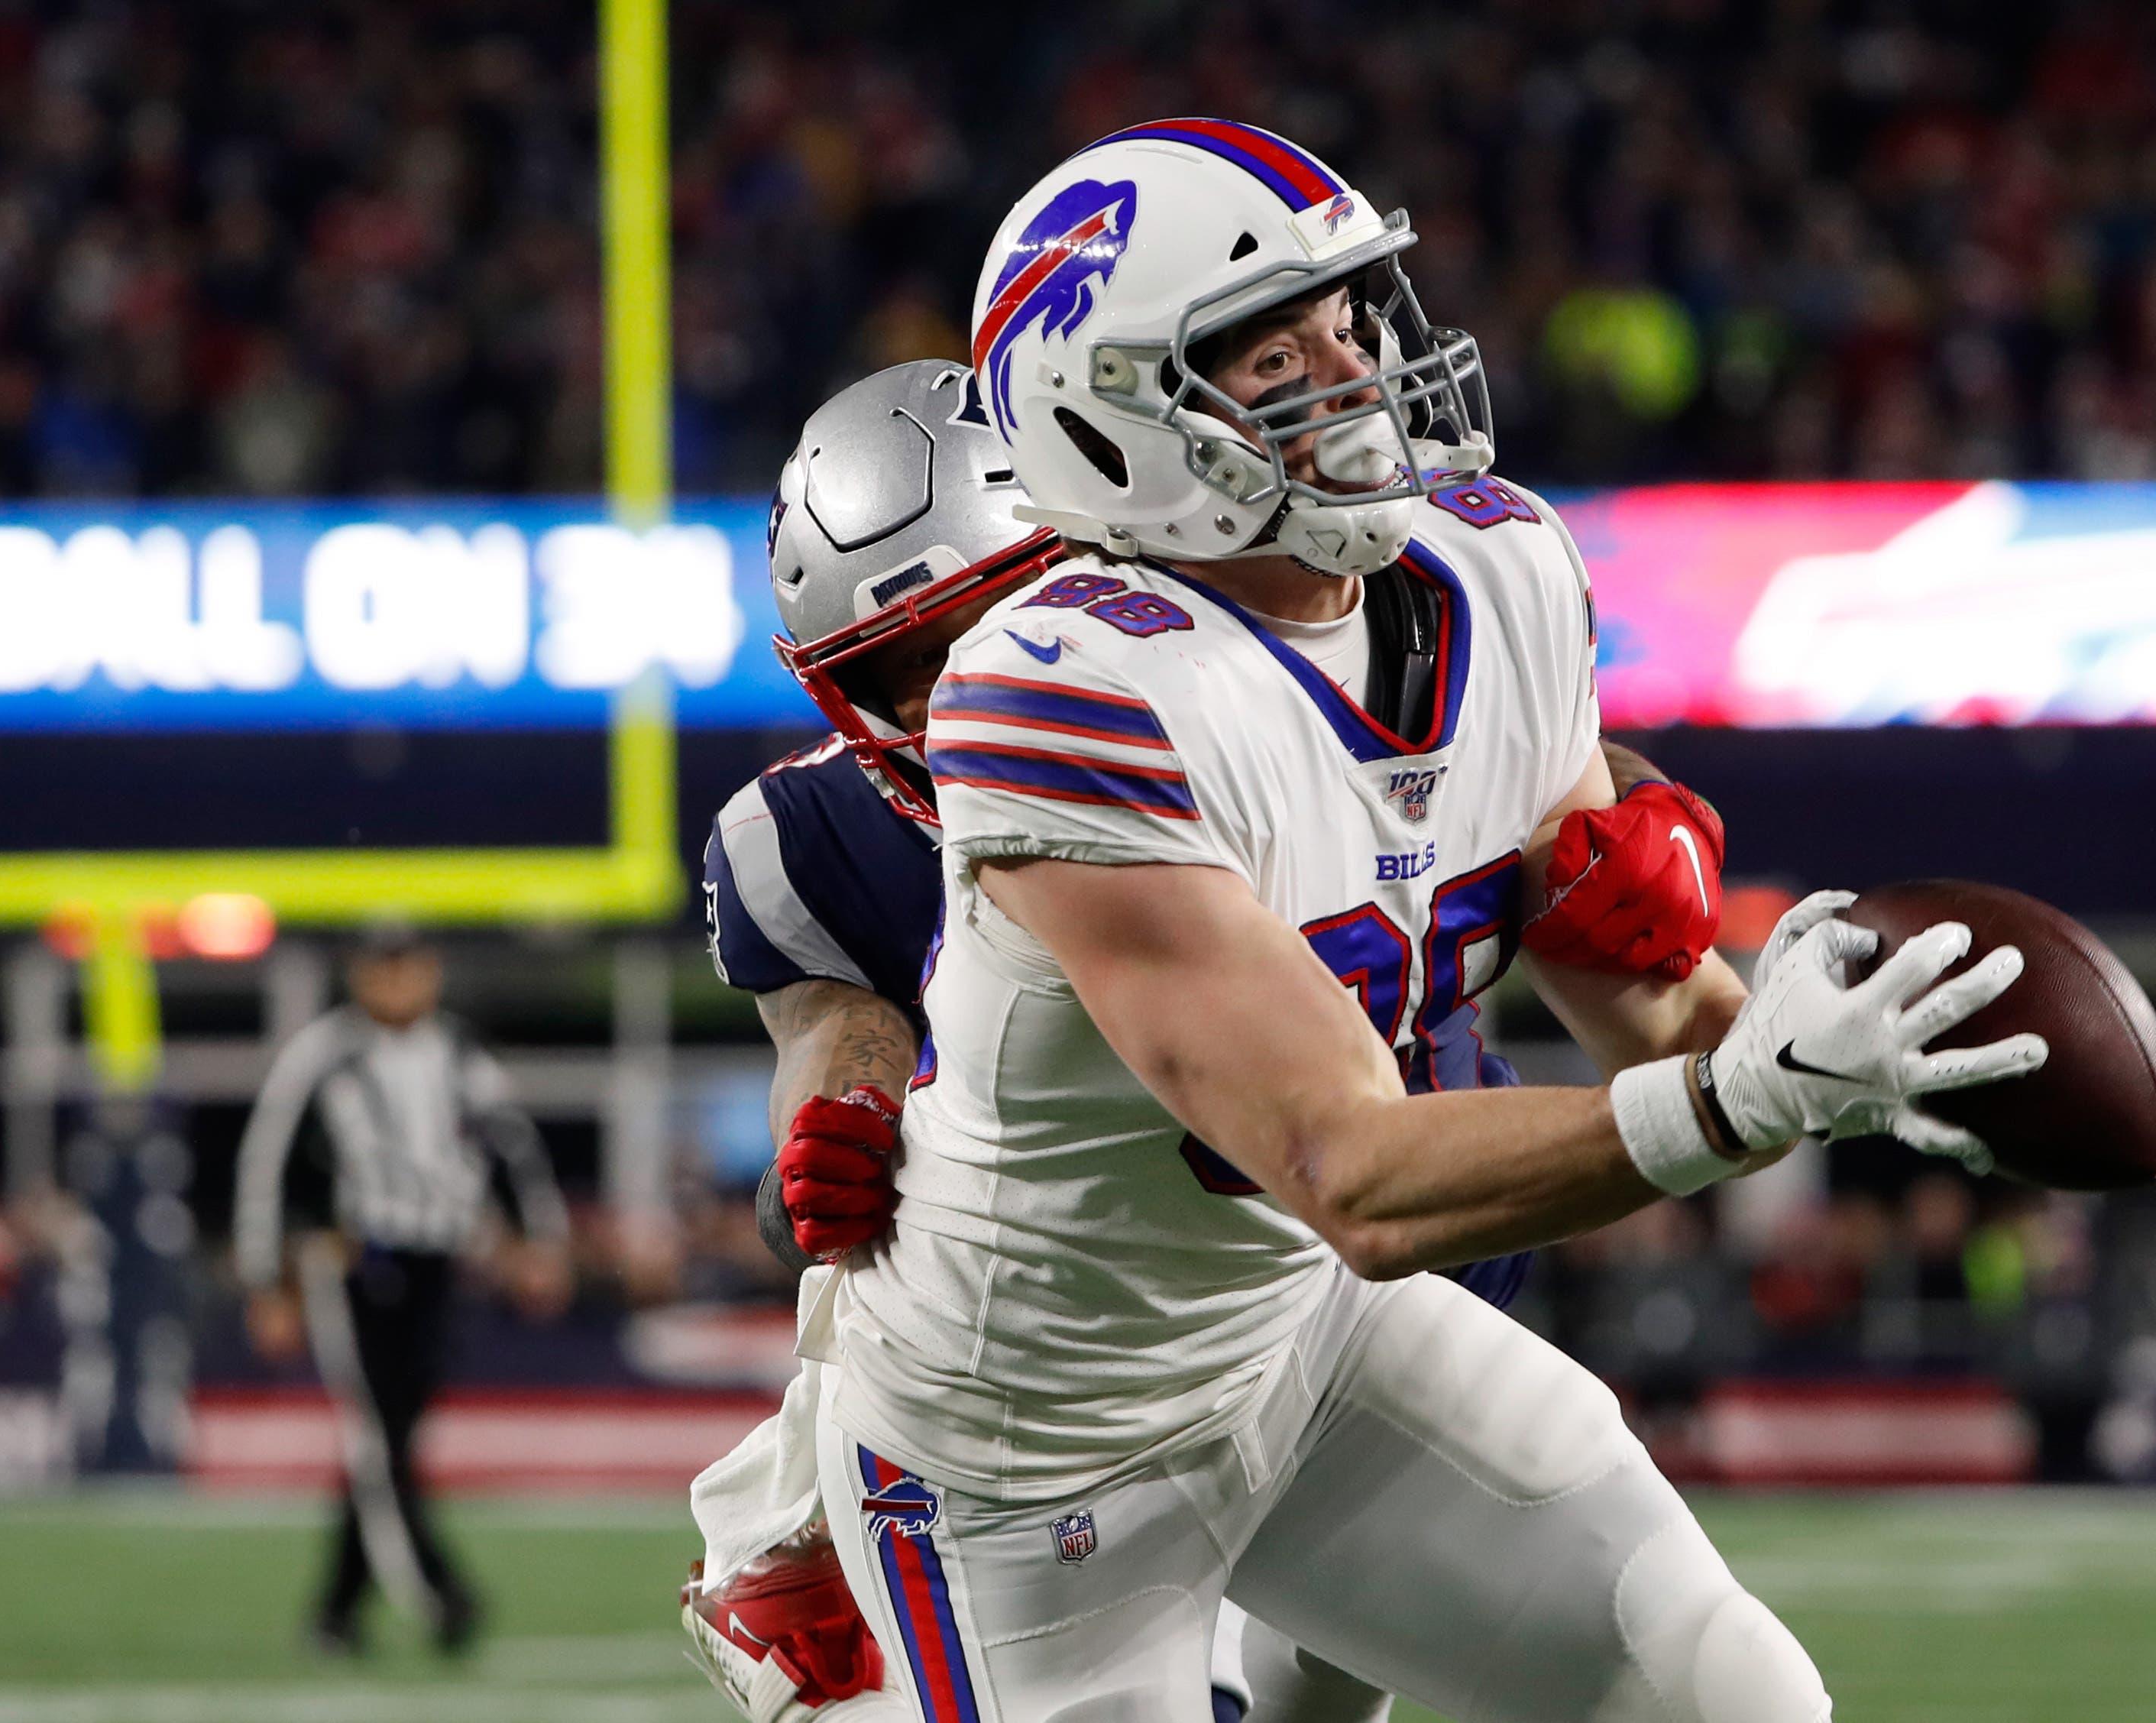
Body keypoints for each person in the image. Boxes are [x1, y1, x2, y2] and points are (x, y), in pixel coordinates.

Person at [805, 119, 2044, 1723]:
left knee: (1727, 1690)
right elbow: (1354, 1170)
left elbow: (1661, 1019)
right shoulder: (1066, 689)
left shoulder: (1503, 570)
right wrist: (1739, 1096)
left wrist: (1841, 1046)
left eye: (1351, 313)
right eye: (1272, 347)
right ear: (1109, 419)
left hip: (1303, 1342)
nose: (1356, 367)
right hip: (1029, 1450)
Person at [680, 360, 1732, 1723]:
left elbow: (1456, 754)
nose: (958, 691)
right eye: (904, 669)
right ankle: (804, 1516)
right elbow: (831, 1019)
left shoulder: (1230, 680)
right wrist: (836, 1114)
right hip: (1105, 1343)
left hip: (1400, 1239)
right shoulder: (804, 837)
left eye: (995, 619)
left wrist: (1634, 812)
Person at [231, 925, 571, 1655]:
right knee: (380, 1434)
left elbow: (514, 1148)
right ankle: (439, 1591)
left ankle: (335, 1610)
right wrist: (270, 1279)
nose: (398, 983)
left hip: (438, 1260)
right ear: (358, 975)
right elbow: (271, 1166)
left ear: (433, 970)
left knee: (389, 1437)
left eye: (410, 966)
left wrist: (537, 1240)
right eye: (383, 968)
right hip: (356, 1263)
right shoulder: (327, 1053)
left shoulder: (460, 1053)